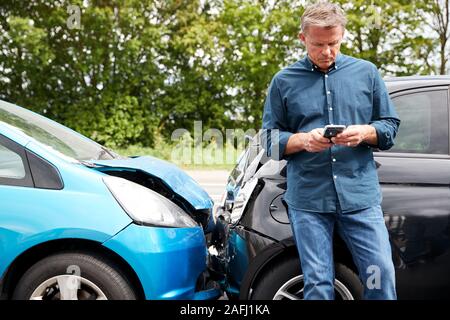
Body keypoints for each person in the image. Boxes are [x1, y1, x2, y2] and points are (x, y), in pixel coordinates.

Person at [262, 1, 400, 300]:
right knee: (318, 283)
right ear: (303, 39)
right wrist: (303, 140)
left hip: (360, 197)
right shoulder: (283, 81)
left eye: (333, 43)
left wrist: (365, 132)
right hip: (309, 200)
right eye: (318, 44)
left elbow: (389, 128)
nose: (327, 52)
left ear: (343, 35)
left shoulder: (367, 73)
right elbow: (269, 140)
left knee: (381, 274)